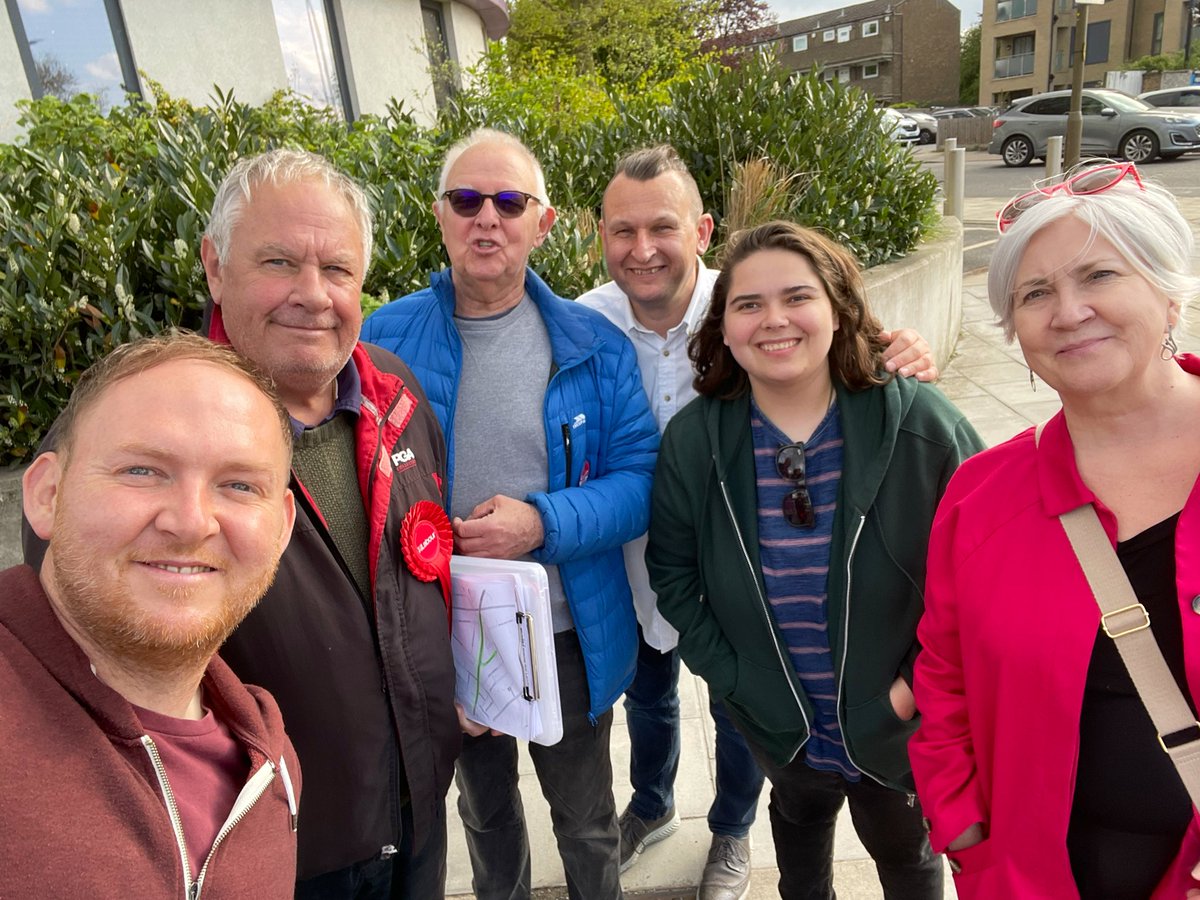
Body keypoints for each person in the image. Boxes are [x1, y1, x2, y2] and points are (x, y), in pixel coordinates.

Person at [27, 149, 460, 898]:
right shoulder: (122, 435)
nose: (312, 295)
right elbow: (84, 688)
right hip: (263, 849)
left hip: (417, 814)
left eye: (337, 269)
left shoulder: (397, 392)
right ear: (214, 266)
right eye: (279, 262)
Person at [577, 145, 941, 897]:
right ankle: (653, 804)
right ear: (600, 235)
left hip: (755, 591)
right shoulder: (583, 324)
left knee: (744, 721)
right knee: (657, 698)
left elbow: (827, 334)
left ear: (701, 230)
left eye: (662, 226)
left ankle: (731, 831)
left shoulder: (747, 296)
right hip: (637, 566)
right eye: (622, 230)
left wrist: (897, 351)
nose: (643, 249)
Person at [361, 128, 659, 900]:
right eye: (466, 200)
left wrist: (542, 522)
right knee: (484, 816)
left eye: (509, 202)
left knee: (586, 820)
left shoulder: (594, 345)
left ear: (543, 222)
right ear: (440, 216)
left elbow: (638, 482)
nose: (486, 218)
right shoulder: (380, 339)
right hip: (445, 635)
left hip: (565, 630)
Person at [646, 220, 983, 900]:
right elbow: (673, 575)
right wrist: (736, 679)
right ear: (725, 327)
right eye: (748, 304)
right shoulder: (693, 442)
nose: (774, 320)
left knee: (907, 856)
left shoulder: (921, 424)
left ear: (838, 308)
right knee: (799, 845)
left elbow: (985, 580)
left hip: (897, 728)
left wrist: (911, 690)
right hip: (777, 722)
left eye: (797, 297)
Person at [910, 163, 1200, 898]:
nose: (1068, 312)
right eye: (1035, 293)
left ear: (1170, 293)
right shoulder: (980, 496)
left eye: (1099, 275)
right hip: (1031, 877)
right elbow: (944, 675)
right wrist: (962, 827)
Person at [2, 332, 301, 898]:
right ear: (46, 495)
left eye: (239, 485)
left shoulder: (273, 767)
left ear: (282, 528)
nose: (190, 523)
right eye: (142, 471)